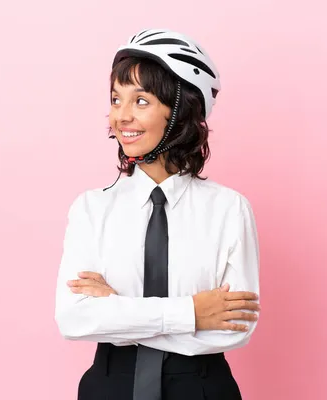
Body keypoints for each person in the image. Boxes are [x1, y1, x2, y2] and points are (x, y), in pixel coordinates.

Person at [54, 28, 261, 400]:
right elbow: (74, 319)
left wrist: (117, 309)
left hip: (200, 388)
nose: (122, 116)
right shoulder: (91, 209)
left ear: (180, 109)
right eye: (116, 99)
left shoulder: (228, 209)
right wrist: (192, 313)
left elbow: (234, 328)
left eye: (141, 101)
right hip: (109, 386)